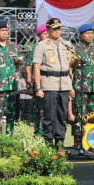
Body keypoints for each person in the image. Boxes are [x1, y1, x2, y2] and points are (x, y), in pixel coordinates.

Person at [33, 18, 75, 147]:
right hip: (49, 84)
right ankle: (48, 142)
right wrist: (38, 88)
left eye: (59, 29)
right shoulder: (42, 45)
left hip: (65, 83)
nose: (57, 31)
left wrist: (71, 86)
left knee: (62, 115)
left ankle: (60, 141)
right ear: (49, 30)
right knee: (49, 115)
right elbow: (36, 67)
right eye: (55, 28)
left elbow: (70, 67)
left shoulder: (67, 44)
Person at [71, 23, 94, 151]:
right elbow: (71, 67)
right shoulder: (75, 48)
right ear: (81, 35)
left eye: (91, 33)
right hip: (80, 86)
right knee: (81, 113)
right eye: (87, 34)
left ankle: (93, 140)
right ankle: (78, 140)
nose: (90, 36)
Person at [25, 24, 49, 135]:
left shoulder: (53, 47)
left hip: (51, 83)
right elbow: (28, 67)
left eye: (48, 32)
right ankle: (38, 132)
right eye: (44, 33)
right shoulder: (34, 48)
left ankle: (48, 132)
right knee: (38, 109)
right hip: (38, 84)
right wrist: (29, 85)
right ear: (39, 36)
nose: (47, 35)